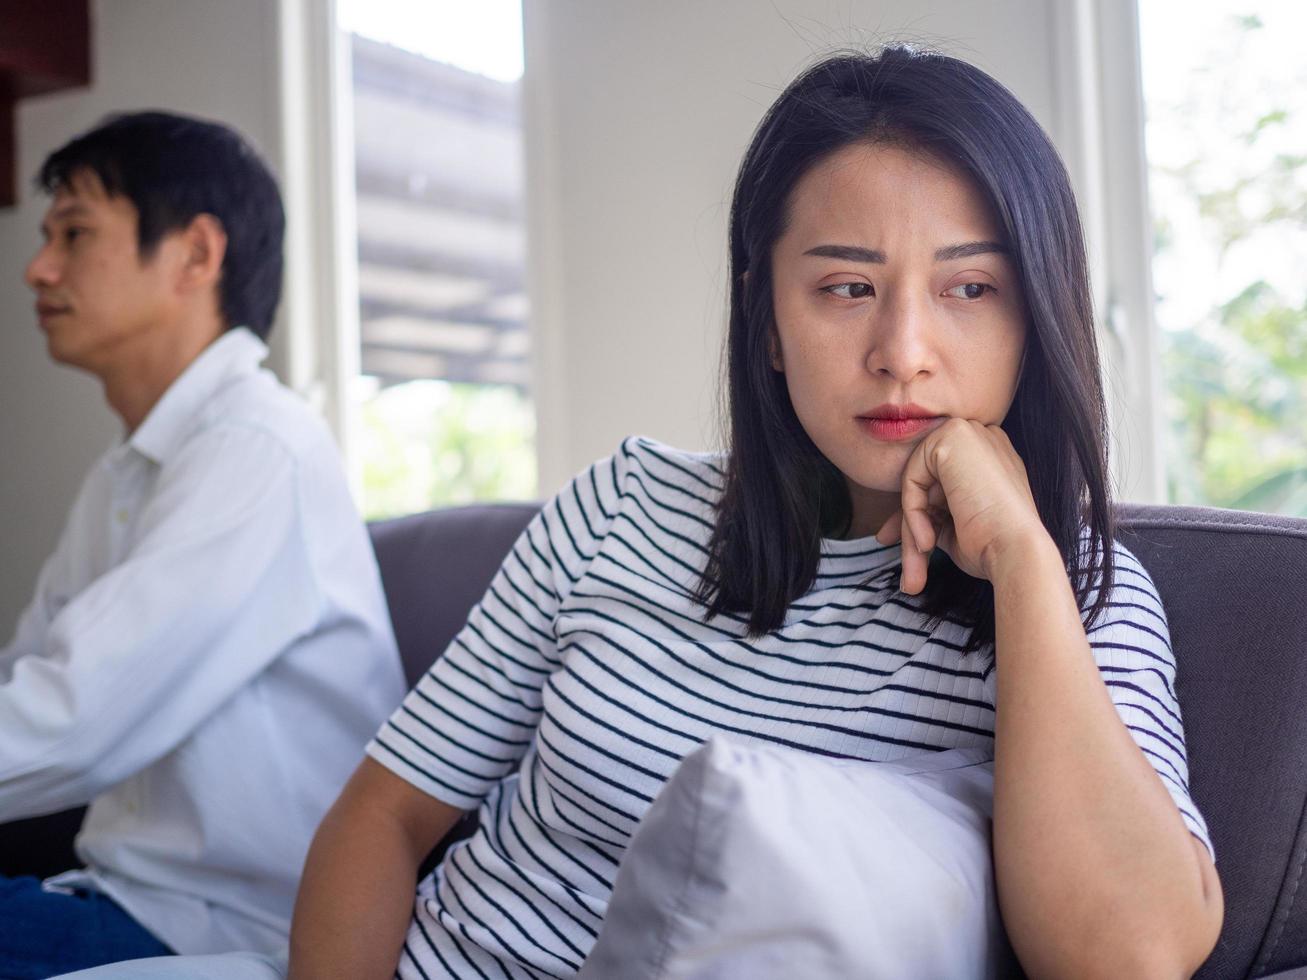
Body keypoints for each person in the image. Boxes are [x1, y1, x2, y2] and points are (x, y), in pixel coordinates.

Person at [62, 45, 1224, 980]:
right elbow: (381, 820)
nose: (902, 352)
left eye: (969, 289)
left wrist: (1020, 557)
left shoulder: (1078, 593)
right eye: (844, 288)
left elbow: (1124, 957)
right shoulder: (625, 500)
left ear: (1035, 320)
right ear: (765, 321)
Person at [0, 111, 406, 978]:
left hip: (217, 928)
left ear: (195, 254)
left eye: (74, 234)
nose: (38, 268)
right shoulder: (126, 474)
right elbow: (26, 687)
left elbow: (73, 721)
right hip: (116, 894)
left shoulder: (256, 448)